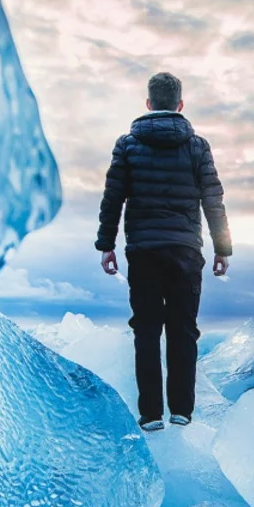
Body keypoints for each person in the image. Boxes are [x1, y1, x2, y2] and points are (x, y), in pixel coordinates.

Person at [96, 71, 232, 432]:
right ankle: (182, 411)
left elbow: (113, 199)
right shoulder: (197, 146)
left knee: (146, 331)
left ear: (148, 103)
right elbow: (213, 200)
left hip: (143, 251)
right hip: (186, 251)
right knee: (183, 330)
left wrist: (106, 245)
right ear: (180, 105)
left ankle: (151, 414)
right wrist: (223, 248)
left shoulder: (127, 145)